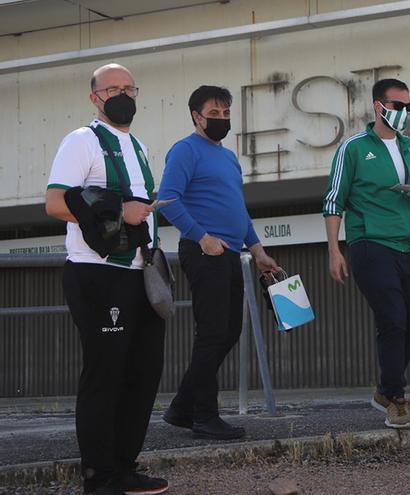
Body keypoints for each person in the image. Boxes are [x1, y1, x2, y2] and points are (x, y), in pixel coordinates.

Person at [45, 63, 168, 495]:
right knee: (107, 373)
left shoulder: (139, 146)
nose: (121, 94)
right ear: (94, 97)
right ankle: (99, 476)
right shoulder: (82, 141)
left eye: (128, 88)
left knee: (144, 372)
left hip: (142, 273)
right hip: (98, 274)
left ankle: (124, 466)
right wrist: (120, 212)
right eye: (111, 88)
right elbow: (56, 203)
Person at [157, 85, 279, 440]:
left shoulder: (227, 157)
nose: (222, 120)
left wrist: (257, 250)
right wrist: (202, 237)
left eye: (226, 114)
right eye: (215, 114)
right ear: (197, 116)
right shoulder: (184, 151)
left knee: (228, 331)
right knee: (212, 334)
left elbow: (238, 210)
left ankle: (182, 407)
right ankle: (203, 416)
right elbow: (167, 200)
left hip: (230, 254)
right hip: (204, 252)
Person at [323, 78, 410, 429]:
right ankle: (397, 400)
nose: (403, 113)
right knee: (393, 319)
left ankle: (385, 386)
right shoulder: (352, 148)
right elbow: (333, 200)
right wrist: (334, 250)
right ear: (378, 106)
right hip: (370, 244)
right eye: (397, 106)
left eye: (408, 107)